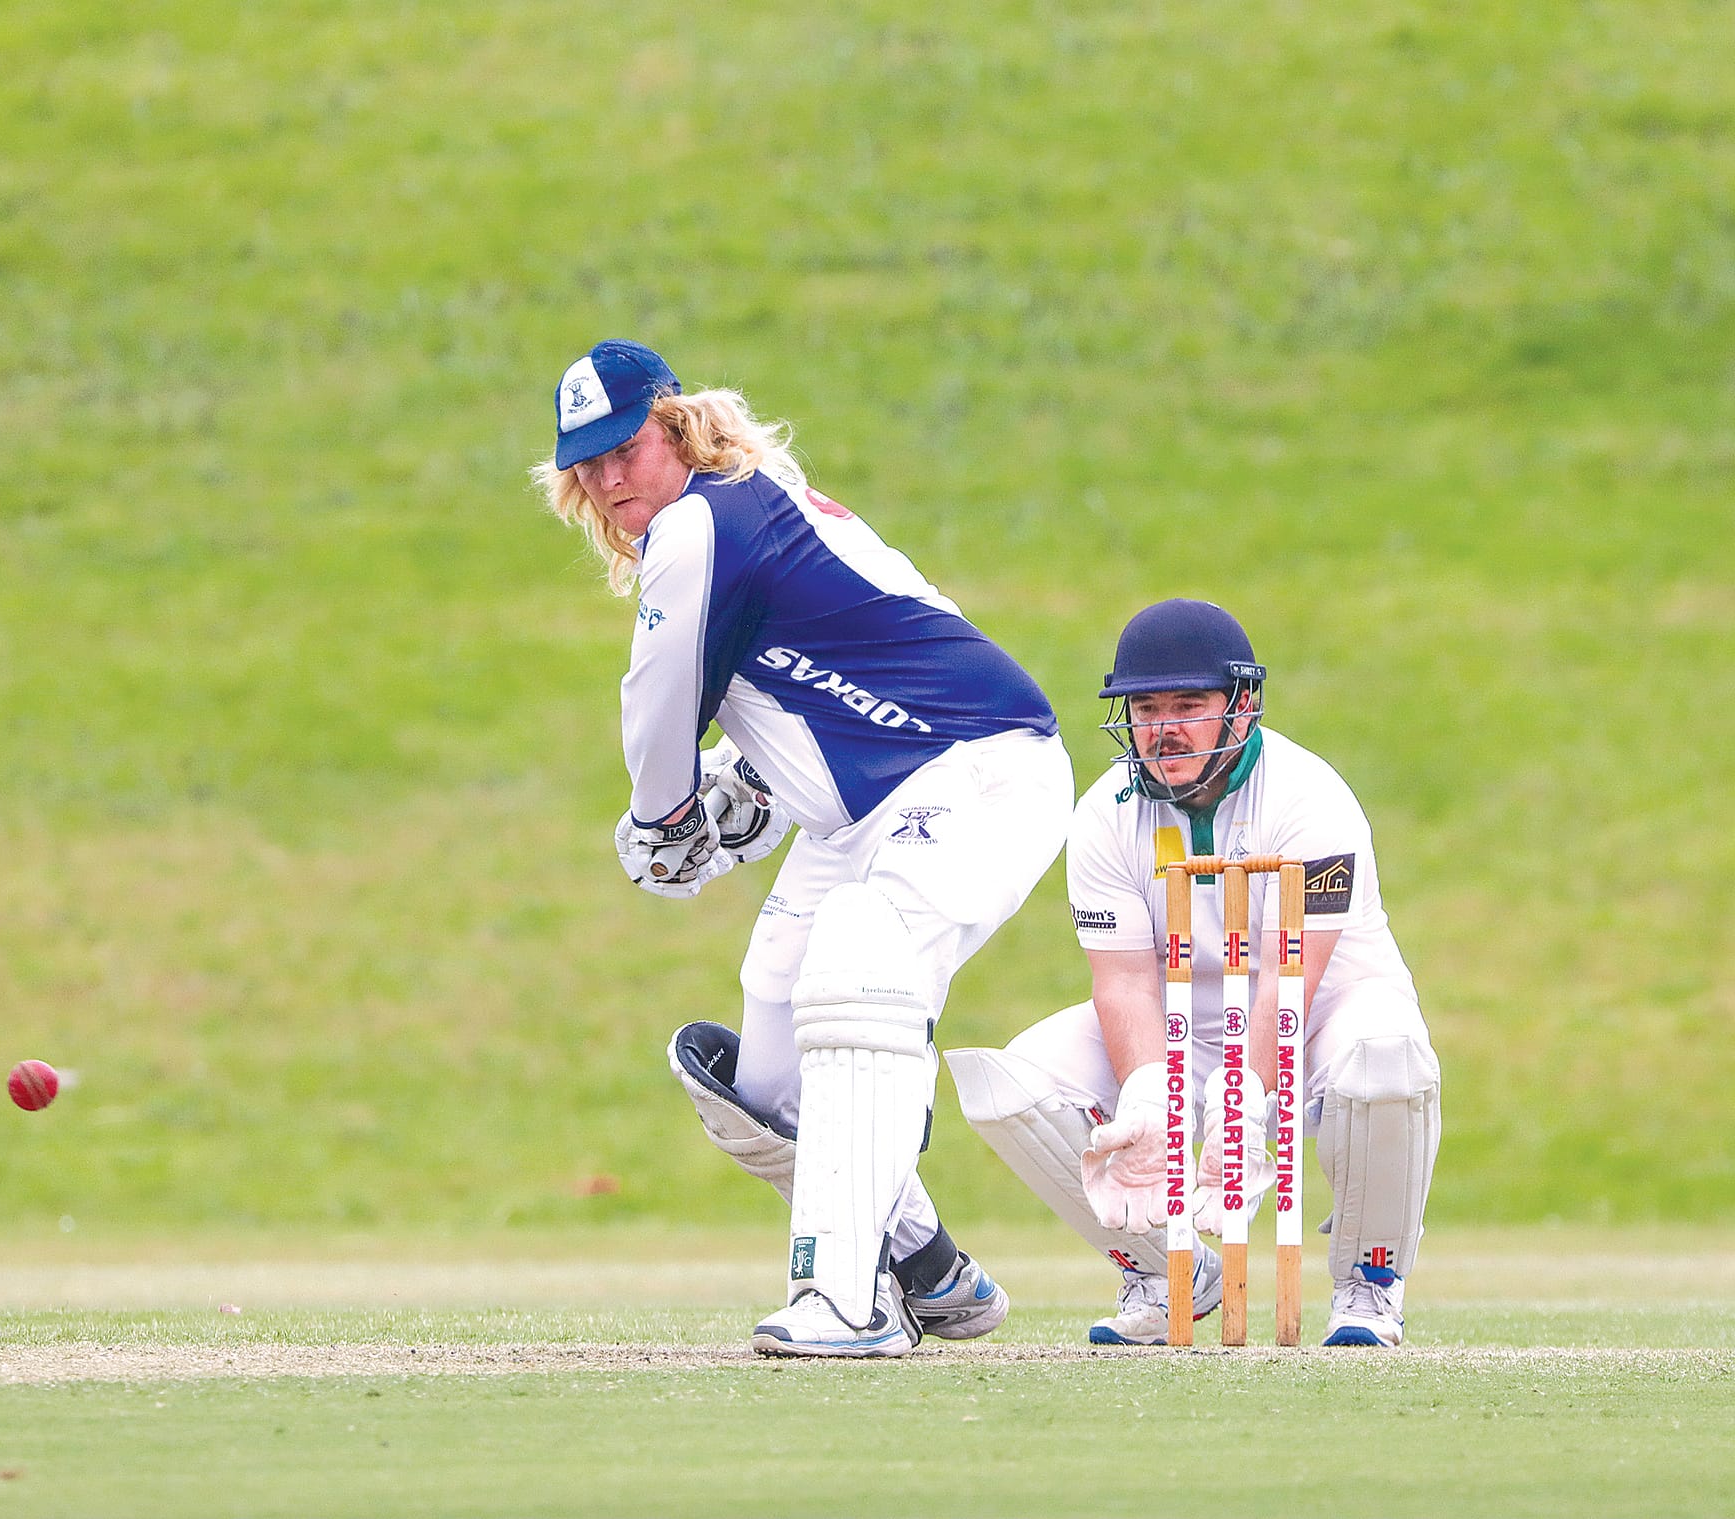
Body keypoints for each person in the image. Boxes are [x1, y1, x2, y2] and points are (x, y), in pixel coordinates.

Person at [534, 340, 1075, 1357]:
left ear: (674, 425)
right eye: (586, 462)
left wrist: (665, 817)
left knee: (858, 973)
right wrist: (741, 795)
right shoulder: (742, 511)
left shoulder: (706, 520)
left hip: (970, 768)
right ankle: (929, 1269)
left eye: (625, 447)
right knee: (771, 1072)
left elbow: (653, 708)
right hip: (862, 805)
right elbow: (803, 711)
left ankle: (845, 1301)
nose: (608, 479)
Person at [946, 598, 1440, 1347]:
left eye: (1188, 704)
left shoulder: (1313, 801)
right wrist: (1149, 1092)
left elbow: (1287, 979)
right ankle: (1165, 1268)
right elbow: (1124, 983)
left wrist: (1246, 1093)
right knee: (1013, 1087)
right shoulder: (1105, 815)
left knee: (1386, 1059)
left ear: (1241, 707)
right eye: (1145, 706)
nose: (1163, 726)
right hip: (1182, 1027)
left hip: (1320, 1015)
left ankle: (1369, 1284)